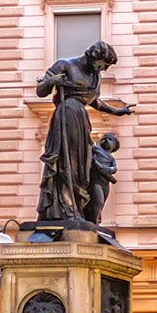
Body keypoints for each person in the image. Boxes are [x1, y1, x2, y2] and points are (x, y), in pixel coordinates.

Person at [34, 41, 133, 223]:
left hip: (81, 119)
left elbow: (95, 102)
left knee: (81, 168)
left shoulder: (95, 77)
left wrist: (117, 111)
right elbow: (40, 91)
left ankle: (76, 209)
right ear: (94, 56)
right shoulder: (64, 65)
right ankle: (63, 209)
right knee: (66, 162)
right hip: (65, 116)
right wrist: (51, 82)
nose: (103, 69)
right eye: (104, 65)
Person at [85, 133, 120, 224]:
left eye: (109, 139)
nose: (106, 140)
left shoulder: (112, 158)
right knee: (98, 201)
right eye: (104, 138)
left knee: (101, 203)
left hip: (105, 183)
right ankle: (93, 221)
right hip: (96, 181)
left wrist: (106, 169)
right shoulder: (96, 149)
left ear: (114, 146)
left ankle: (95, 220)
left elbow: (114, 168)